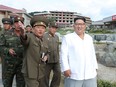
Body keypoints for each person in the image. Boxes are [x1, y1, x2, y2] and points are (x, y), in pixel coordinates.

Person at [60, 17, 98, 87]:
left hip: (90, 73)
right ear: (73, 26)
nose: (79, 26)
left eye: (82, 24)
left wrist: (95, 67)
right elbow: (63, 55)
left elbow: (92, 54)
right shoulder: (68, 38)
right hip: (74, 73)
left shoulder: (89, 38)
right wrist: (65, 68)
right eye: (77, 24)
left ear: (85, 26)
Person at [20, 16, 49, 87]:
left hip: (41, 72)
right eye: (38, 27)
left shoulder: (45, 40)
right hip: (30, 72)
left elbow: (48, 52)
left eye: (43, 28)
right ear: (33, 29)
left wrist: (46, 57)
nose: (40, 30)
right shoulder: (29, 37)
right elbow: (24, 39)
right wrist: (22, 33)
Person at [0, 16, 25, 87]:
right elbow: (1, 46)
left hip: (21, 64)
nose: (18, 25)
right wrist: (8, 50)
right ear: (13, 24)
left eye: (20, 23)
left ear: (22, 24)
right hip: (9, 65)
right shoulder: (5, 34)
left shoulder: (26, 35)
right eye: (16, 23)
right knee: (7, 83)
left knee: (21, 84)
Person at [44, 22, 61, 87]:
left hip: (56, 60)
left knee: (58, 74)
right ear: (49, 28)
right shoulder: (44, 36)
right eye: (53, 28)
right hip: (47, 61)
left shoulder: (56, 37)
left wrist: (58, 58)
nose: (54, 30)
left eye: (55, 28)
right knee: (45, 77)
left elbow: (57, 49)